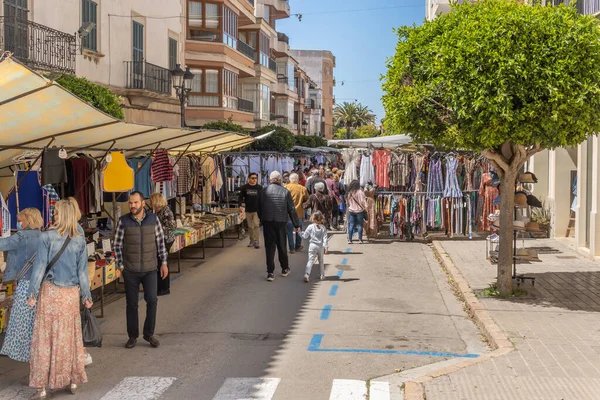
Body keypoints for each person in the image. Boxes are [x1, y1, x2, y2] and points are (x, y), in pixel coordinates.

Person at [27, 200, 93, 399]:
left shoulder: (46, 237)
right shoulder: (79, 239)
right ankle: (71, 380)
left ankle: (42, 387)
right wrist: (86, 295)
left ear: (62, 215)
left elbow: (39, 268)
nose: (53, 216)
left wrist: (32, 293)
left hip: (51, 293)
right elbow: (83, 272)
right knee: (69, 340)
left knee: (45, 340)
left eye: (56, 213)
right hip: (70, 295)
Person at [113, 191, 168, 349]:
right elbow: (116, 244)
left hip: (150, 269)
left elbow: (160, 243)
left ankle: (149, 334)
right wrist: (121, 266)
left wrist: (164, 263)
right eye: (130, 203)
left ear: (143, 203)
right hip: (130, 270)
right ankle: (132, 336)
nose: (132, 206)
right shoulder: (123, 221)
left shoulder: (153, 219)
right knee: (131, 304)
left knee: (152, 300)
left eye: (135, 202)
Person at [0, 208, 43, 364]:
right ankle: (39, 358)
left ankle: (31, 360)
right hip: (41, 285)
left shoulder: (21, 236)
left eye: (21, 220)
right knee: (37, 325)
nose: (19, 223)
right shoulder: (43, 236)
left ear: (28, 220)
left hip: (26, 284)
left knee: (23, 326)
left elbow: (2, 245)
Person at [259, 171, 300, 282]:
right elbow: (291, 209)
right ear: (279, 179)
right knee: (282, 246)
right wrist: (297, 225)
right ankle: (284, 269)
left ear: (270, 179)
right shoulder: (285, 191)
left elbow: (259, 208)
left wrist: (262, 220)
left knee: (269, 247)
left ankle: (270, 272)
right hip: (281, 222)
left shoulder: (263, 191)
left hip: (268, 222)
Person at [67, 197, 93, 366]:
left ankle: (81, 352)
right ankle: (79, 353)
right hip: (73, 284)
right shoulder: (74, 230)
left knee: (72, 323)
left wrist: (85, 293)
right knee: (72, 322)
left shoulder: (75, 231)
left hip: (70, 284)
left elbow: (80, 267)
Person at [150, 193, 176, 296]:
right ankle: (160, 286)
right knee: (160, 262)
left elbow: (171, 226)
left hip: (165, 239)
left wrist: (159, 229)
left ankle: (164, 288)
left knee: (162, 262)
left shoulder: (165, 211)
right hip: (161, 239)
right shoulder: (158, 211)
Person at [300, 211, 329, 282]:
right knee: (321, 261)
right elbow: (325, 238)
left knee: (310, 260)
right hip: (320, 246)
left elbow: (305, 236)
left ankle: (306, 274)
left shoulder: (310, 227)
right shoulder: (323, 228)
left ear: (313, 219)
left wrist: (299, 232)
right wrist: (326, 247)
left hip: (312, 245)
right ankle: (322, 275)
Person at [285, 173, 309, 254]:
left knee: (289, 231)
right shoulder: (302, 188)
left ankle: (291, 248)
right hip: (299, 212)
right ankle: (297, 246)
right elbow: (306, 199)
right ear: (297, 179)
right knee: (298, 229)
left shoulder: (286, 187)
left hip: (288, 213)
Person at [239, 173, 262, 249]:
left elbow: (262, 199)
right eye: (252, 178)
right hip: (248, 210)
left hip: (256, 210)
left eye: (255, 178)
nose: (254, 179)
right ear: (248, 179)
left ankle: (257, 241)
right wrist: (240, 205)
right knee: (250, 226)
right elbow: (240, 197)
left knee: (256, 225)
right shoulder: (244, 187)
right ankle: (251, 240)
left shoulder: (259, 188)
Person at [346, 180, 368, 244]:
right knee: (360, 225)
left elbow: (348, 202)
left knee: (351, 225)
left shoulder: (350, 192)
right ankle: (360, 239)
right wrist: (366, 207)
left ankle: (350, 240)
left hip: (351, 210)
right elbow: (363, 201)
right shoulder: (360, 192)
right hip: (359, 210)